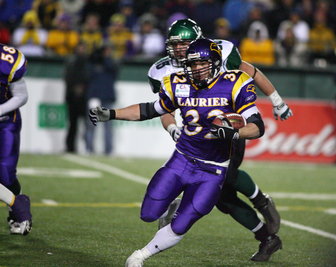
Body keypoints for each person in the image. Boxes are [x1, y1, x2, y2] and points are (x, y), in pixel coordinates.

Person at [89, 38, 266, 267]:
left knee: (182, 224)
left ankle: (140, 256)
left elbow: (257, 126)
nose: (196, 69)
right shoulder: (179, 83)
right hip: (181, 161)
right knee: (148, 214)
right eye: (192, 64)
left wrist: (233, 134)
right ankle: (171, 205)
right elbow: (150, 110)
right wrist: (112, 114)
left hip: (212, 171)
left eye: (201, 63)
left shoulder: (235, 82)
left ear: (215, 62)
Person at [148, 19, 292, 261]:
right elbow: (165, 111)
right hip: (197, 136)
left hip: (226, 128)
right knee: (223, 200)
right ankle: (268, 238)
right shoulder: (163, 71)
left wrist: (277, 100)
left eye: (183, 44)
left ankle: (261, 202)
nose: (178, 50)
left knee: (227, 178)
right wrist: (173, 129)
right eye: (175, 45)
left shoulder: (222, 51)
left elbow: (252, 71)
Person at [0, 43, 32, 235]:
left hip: (5, 122)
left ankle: (16, 208)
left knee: (5, 174)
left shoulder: (7, 61)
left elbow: (21, 96)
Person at [85, 44, 118, 155]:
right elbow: (87, 73)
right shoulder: (93, 62)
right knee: (91, 124)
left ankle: (108, 150)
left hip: (107, 98)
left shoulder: (110, 62)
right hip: (94, 96)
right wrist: (96, 56)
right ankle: (89, 149)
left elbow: (114, 69)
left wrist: (105, 58)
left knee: (108, 127)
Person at [64, 42, 90, 153]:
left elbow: (90, 78)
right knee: (72, 124)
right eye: (80, 48)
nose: (81, 51)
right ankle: (70, 147)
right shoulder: (71, 62)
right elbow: (67, 78)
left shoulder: (88, 64)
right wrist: (75, 88)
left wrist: (83, 87)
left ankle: (88, 148)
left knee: (88, 124)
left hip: (85, 98)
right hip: (72, 97)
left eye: (83, 48)